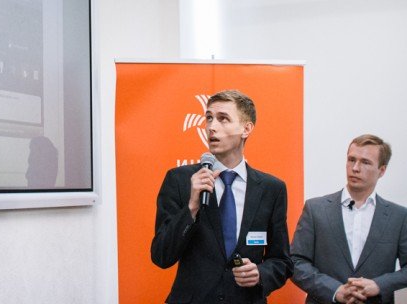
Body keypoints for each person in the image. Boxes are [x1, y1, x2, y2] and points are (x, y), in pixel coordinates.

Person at [151, 89, 293, 303]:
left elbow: (282, 261)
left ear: (246, 129)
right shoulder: (180, 180)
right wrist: (191, 207)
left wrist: (260, 274)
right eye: (209, 118)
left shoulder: (272, 189)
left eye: (223, 119)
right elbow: (161, 256)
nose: (211, 127)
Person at [291, 134, 407, 304]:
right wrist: (334, 290)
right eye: (351, 160)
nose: (355, 168)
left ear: (382, 170)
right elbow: (295, 262)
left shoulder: (399, 217)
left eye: (365, 162)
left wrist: (379, 285)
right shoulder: (315, 209)